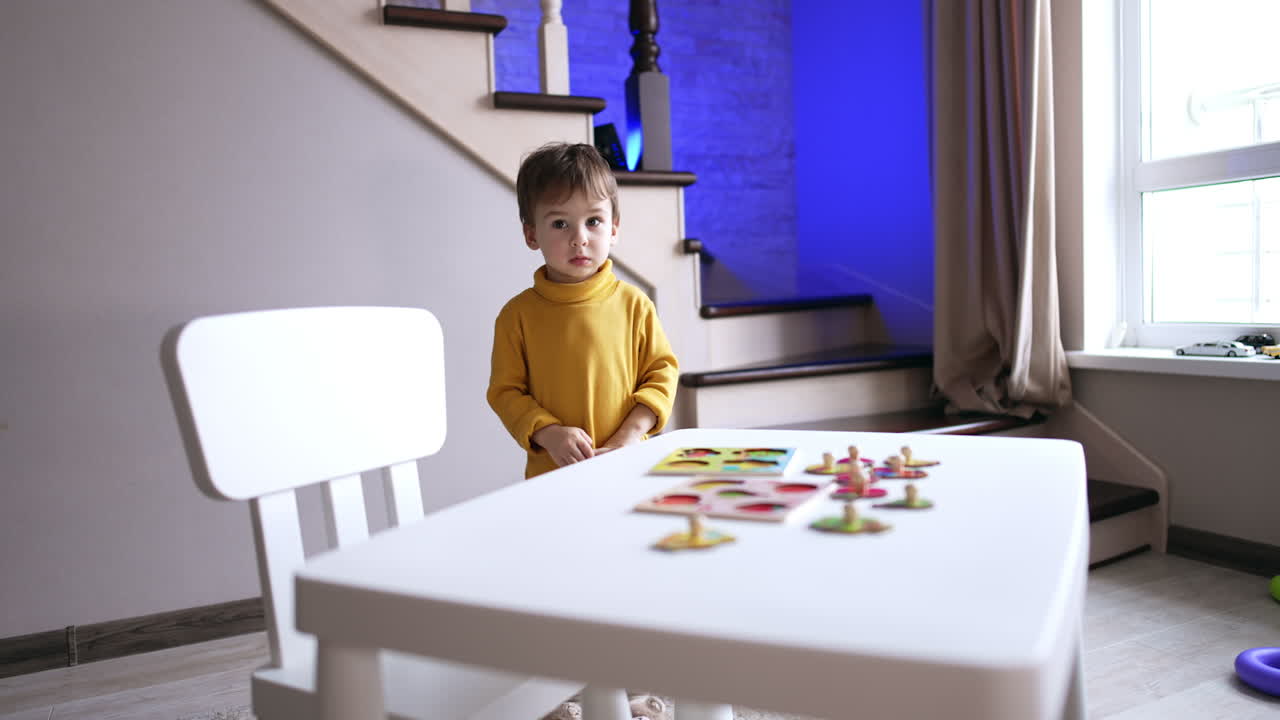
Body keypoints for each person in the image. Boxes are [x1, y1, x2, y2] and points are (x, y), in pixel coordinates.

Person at [487, 142, 679, 478]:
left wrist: (630, 436)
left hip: (629, 468)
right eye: (560, 224)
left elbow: (661, 374)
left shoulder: (635, 305)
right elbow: (506, 393)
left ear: (613, 229)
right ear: (532, 234)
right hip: (553, 477)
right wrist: (550, 434)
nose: (580, 238)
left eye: (593, 221)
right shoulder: (516, 317)